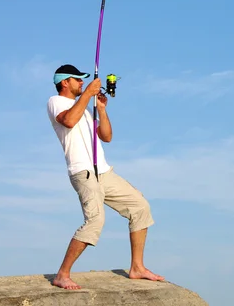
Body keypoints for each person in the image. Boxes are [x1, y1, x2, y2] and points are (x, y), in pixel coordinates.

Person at [47, 64, 164, 290]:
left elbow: (107, 136)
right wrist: (88, 94)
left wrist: (100, 109)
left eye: (83, 81)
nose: (82, 83)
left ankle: (137, 268)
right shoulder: (56, 102)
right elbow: (69, 121)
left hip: (104, 172)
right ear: (65, 82)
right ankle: (62, 274)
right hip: (84, 172)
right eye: (78, 80)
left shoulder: (85, 108)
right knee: (95, 221)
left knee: (140, 207)